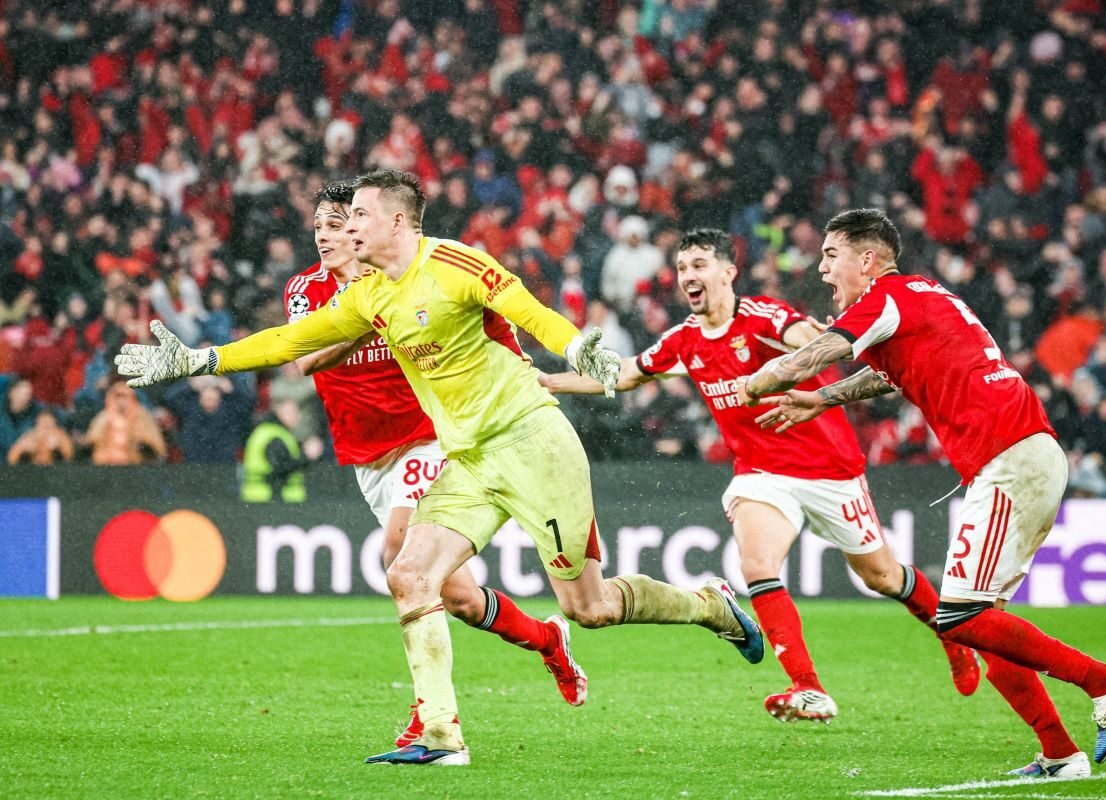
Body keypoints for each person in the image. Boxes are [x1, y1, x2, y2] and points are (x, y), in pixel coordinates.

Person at [116, 169, 763, 767]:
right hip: (471, 460)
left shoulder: (454, 264)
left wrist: (578, 347)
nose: (348, 229)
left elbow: (529, 311)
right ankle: (440, 735)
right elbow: (290, 341)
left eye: (360, 216)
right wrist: (199, 360)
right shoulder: (370, 295)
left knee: (589, 608)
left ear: (397, 222)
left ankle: (711, 607)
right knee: (409, 573)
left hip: (533, 443)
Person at [738, 208, 1106, 778]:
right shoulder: (915, 298)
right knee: (990, 626)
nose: (823, 268)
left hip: (1010, 455)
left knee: (960, 616)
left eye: (832, 255)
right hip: (1017, 453)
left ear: (868, 260)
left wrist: (756, 381)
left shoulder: (882, 298)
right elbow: (889, 375)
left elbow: (815, 354)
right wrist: (823, 400)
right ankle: (1058, 752)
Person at [541, 228, 980, 722]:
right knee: (756, 565)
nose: (689, 275)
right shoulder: (684, 340)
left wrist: (811, 345)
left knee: (882, 575)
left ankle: (953, 637)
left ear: (729, 273)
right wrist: (548, 380)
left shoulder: (763, 318)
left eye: (700, 265)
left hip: (830, 468)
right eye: (683, 267)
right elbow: (625, 373)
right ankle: (807, 687)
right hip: (762, 473)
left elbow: (809, 341)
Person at [287, 182, 591, 745]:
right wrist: (364, 317)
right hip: (367, 455)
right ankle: (548, 639)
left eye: (340, 223)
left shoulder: (399, 282)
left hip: (426, 438)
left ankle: (430, 720)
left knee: (398, 556)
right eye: (321, 227)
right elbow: (304, 359)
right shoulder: (310, 289)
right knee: (458, 597)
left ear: (371, 228)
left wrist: (377, 309)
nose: (327, 236)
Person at [240, 398, 323, 503]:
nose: (297, 417)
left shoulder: (268, 431)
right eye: (291, 412)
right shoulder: (274, 435)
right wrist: (307, 456)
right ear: (279, 412)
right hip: (267, 498)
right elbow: (281, 468)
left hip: (258, 496)